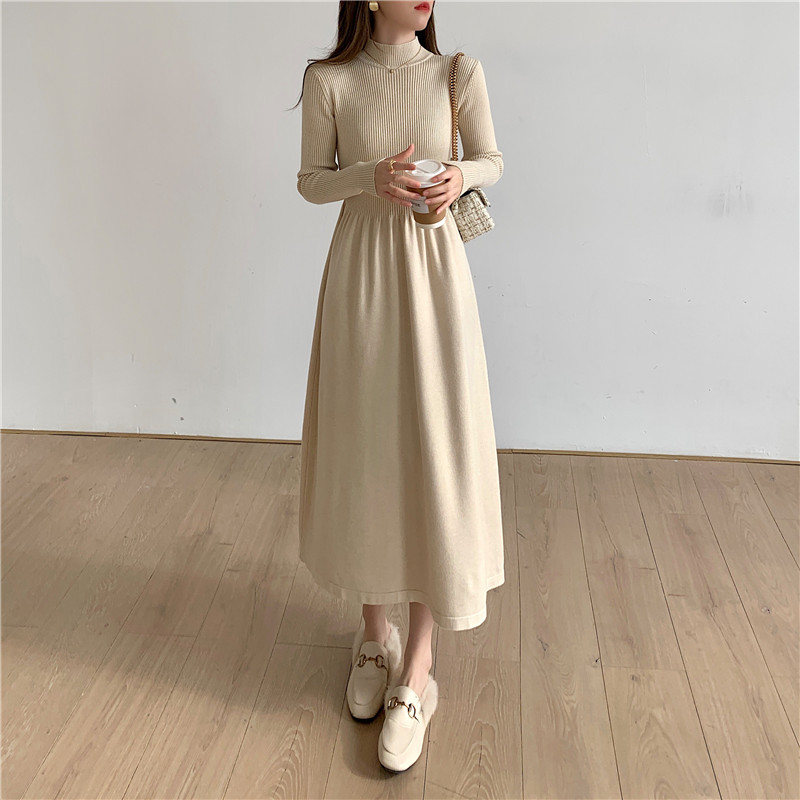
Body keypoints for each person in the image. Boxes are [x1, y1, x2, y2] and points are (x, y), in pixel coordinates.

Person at [293, 0, 504, 771]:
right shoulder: (330, 82)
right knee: (369, 452)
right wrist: (367, 177)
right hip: (363, 277)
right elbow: (310, 183)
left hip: (436, 277)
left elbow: (492, 159)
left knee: (431, 452)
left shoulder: (457, 74)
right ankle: (372, 634)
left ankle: (419, 664)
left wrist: (457, 177)